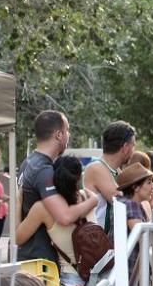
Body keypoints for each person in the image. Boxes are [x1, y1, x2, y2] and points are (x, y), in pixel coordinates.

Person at [18, 111, 98, 265]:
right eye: (67, 130)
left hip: (28, 255)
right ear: (59, 134)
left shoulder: (28, 162)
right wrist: (93, 201)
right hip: (39, 260)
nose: (69, 135)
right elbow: (64, 216)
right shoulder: (43, 170)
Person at [15, 156, 96, 286]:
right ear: (77, 178)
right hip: (95, 275)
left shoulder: (43, 208)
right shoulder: (87, 198)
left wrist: (18, 202)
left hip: (71, 281)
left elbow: (17, 238)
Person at [83, 121, 137, 230]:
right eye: (133, 146)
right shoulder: (96, 168)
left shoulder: (116, 170)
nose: (134, 150)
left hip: (108, 242)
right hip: (97, 242)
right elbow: (121, 200)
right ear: (125, 147)